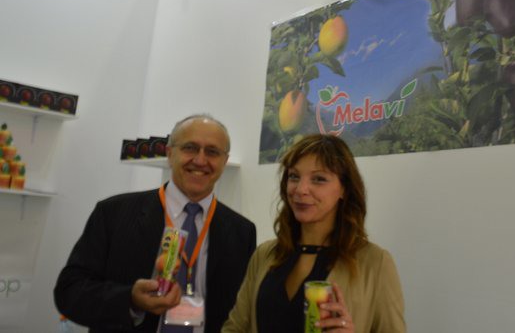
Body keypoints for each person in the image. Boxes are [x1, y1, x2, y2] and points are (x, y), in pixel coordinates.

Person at [54, 114, 257, 333]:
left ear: (224, 161)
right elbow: (69, 292)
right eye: (190, 148)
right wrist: (130, 299)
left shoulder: (242, 232)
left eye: (212, 152)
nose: (200, 160)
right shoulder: (113, 214)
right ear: (170, 154)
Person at [222, 134, 405, 333]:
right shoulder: (265, 254)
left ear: (344, 189)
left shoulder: (375, 263)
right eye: (294, 176)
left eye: (319, 179)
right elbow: (234, 328)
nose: (301, 189)